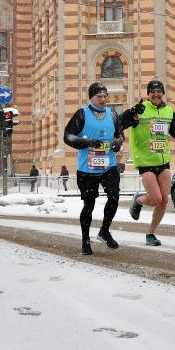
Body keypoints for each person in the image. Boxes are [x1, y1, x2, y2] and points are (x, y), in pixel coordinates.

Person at [63, 82, 134, 255]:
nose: (103, 99)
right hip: (87, 168)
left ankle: (104, 230)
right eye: (99, 96)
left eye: (105, 96)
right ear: (91, 98)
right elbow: (68, 137)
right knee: (89, 205)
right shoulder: (82, 114)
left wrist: (117, 143)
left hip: (108, 165)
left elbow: (119, 134)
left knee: (114, 197)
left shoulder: (113, 114)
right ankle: (85, 240)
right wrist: (86, 142)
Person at [125, 79, 175, 247]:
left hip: (163, 160)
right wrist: (132, 113)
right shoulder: (140, 109)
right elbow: (123, 122)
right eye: (152, 92)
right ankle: (139, 200)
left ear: (162, 93)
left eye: (159, 91)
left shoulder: (168, 111)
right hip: (145, 160)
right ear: (148, 94)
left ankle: (150, 234)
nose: (156, 94)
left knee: (163, 201)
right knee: (155, 198)